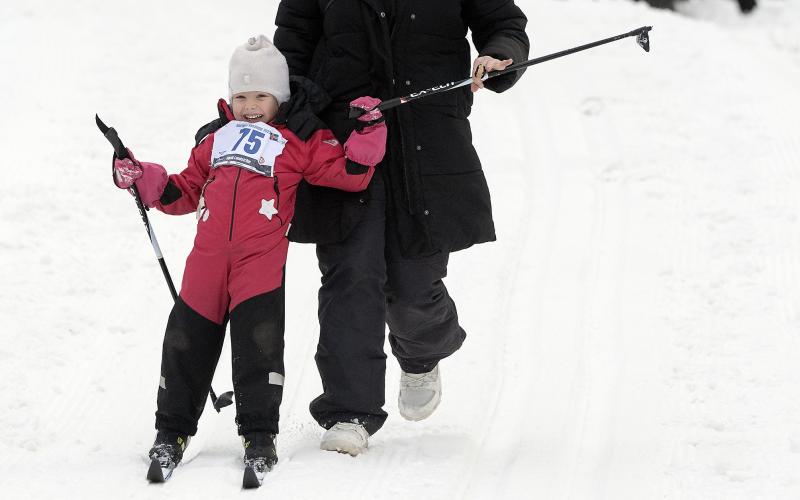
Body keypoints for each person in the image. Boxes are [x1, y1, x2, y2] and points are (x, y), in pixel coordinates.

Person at [111, 35, 386, 486]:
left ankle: (259, 436)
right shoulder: (215, 138)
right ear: (229, 99)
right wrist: (141, 178)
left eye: (261, 95)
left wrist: (369, 129)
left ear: (278, 97)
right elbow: (181, 191)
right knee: (184, 344)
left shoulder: (299, 139)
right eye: (241, 96)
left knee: (259, 348)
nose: (251, 105)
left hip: (258, 265)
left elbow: (350, 174)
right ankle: (171, 432)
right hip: (206, 264)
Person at [273, 0, 529, 455]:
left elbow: (503, 23)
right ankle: (348, 411)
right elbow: (293, 41)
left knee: (413, 285)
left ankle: (421, 354)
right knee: (350, 275)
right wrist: (297, 112)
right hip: (343, 144)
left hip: (426, 140)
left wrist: (498, 55)